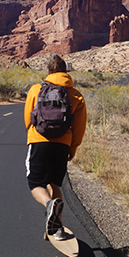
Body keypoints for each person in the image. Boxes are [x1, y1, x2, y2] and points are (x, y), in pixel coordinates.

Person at [24, 55, 87, 238]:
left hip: (39, 140)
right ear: (66, 72)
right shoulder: (75, 95)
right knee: (54, 183)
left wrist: (32, 135)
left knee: (36, 183)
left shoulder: (36, 89)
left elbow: (28, 118)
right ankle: (58, 229)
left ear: (48, 71)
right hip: (62, 144)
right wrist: (72, 147)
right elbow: (79, 127)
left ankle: (48, 205)